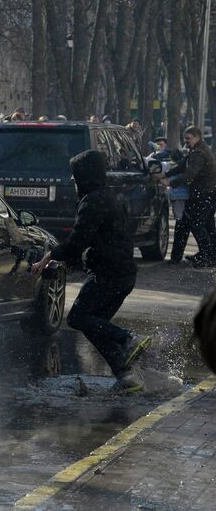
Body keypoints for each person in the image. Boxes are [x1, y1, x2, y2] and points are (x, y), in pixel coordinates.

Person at [32, 150, 151, 393]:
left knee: (77, 318)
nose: (73, 181)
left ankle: (128, 338)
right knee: (94, 325)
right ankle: (127, 377)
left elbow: (79, 241)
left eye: (75, 175)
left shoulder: (92, 201)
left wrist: (50, 256)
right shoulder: (110, 196)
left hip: (108, 273)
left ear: (84, 175)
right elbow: (101, 238)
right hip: (123, 272)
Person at [157, 126, 216, 267]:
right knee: (206, 225)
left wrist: (170, 182)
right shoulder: (197, 150)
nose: (186, 141)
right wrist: (166, 174)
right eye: (185, 139)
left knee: (197, 225)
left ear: (197, 137)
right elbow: (182, 166)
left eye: (188, 138)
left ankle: (207, 256)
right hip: (206, 193)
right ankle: (209, 255)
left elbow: (190, 173)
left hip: (204, 194)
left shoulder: (199, 153)